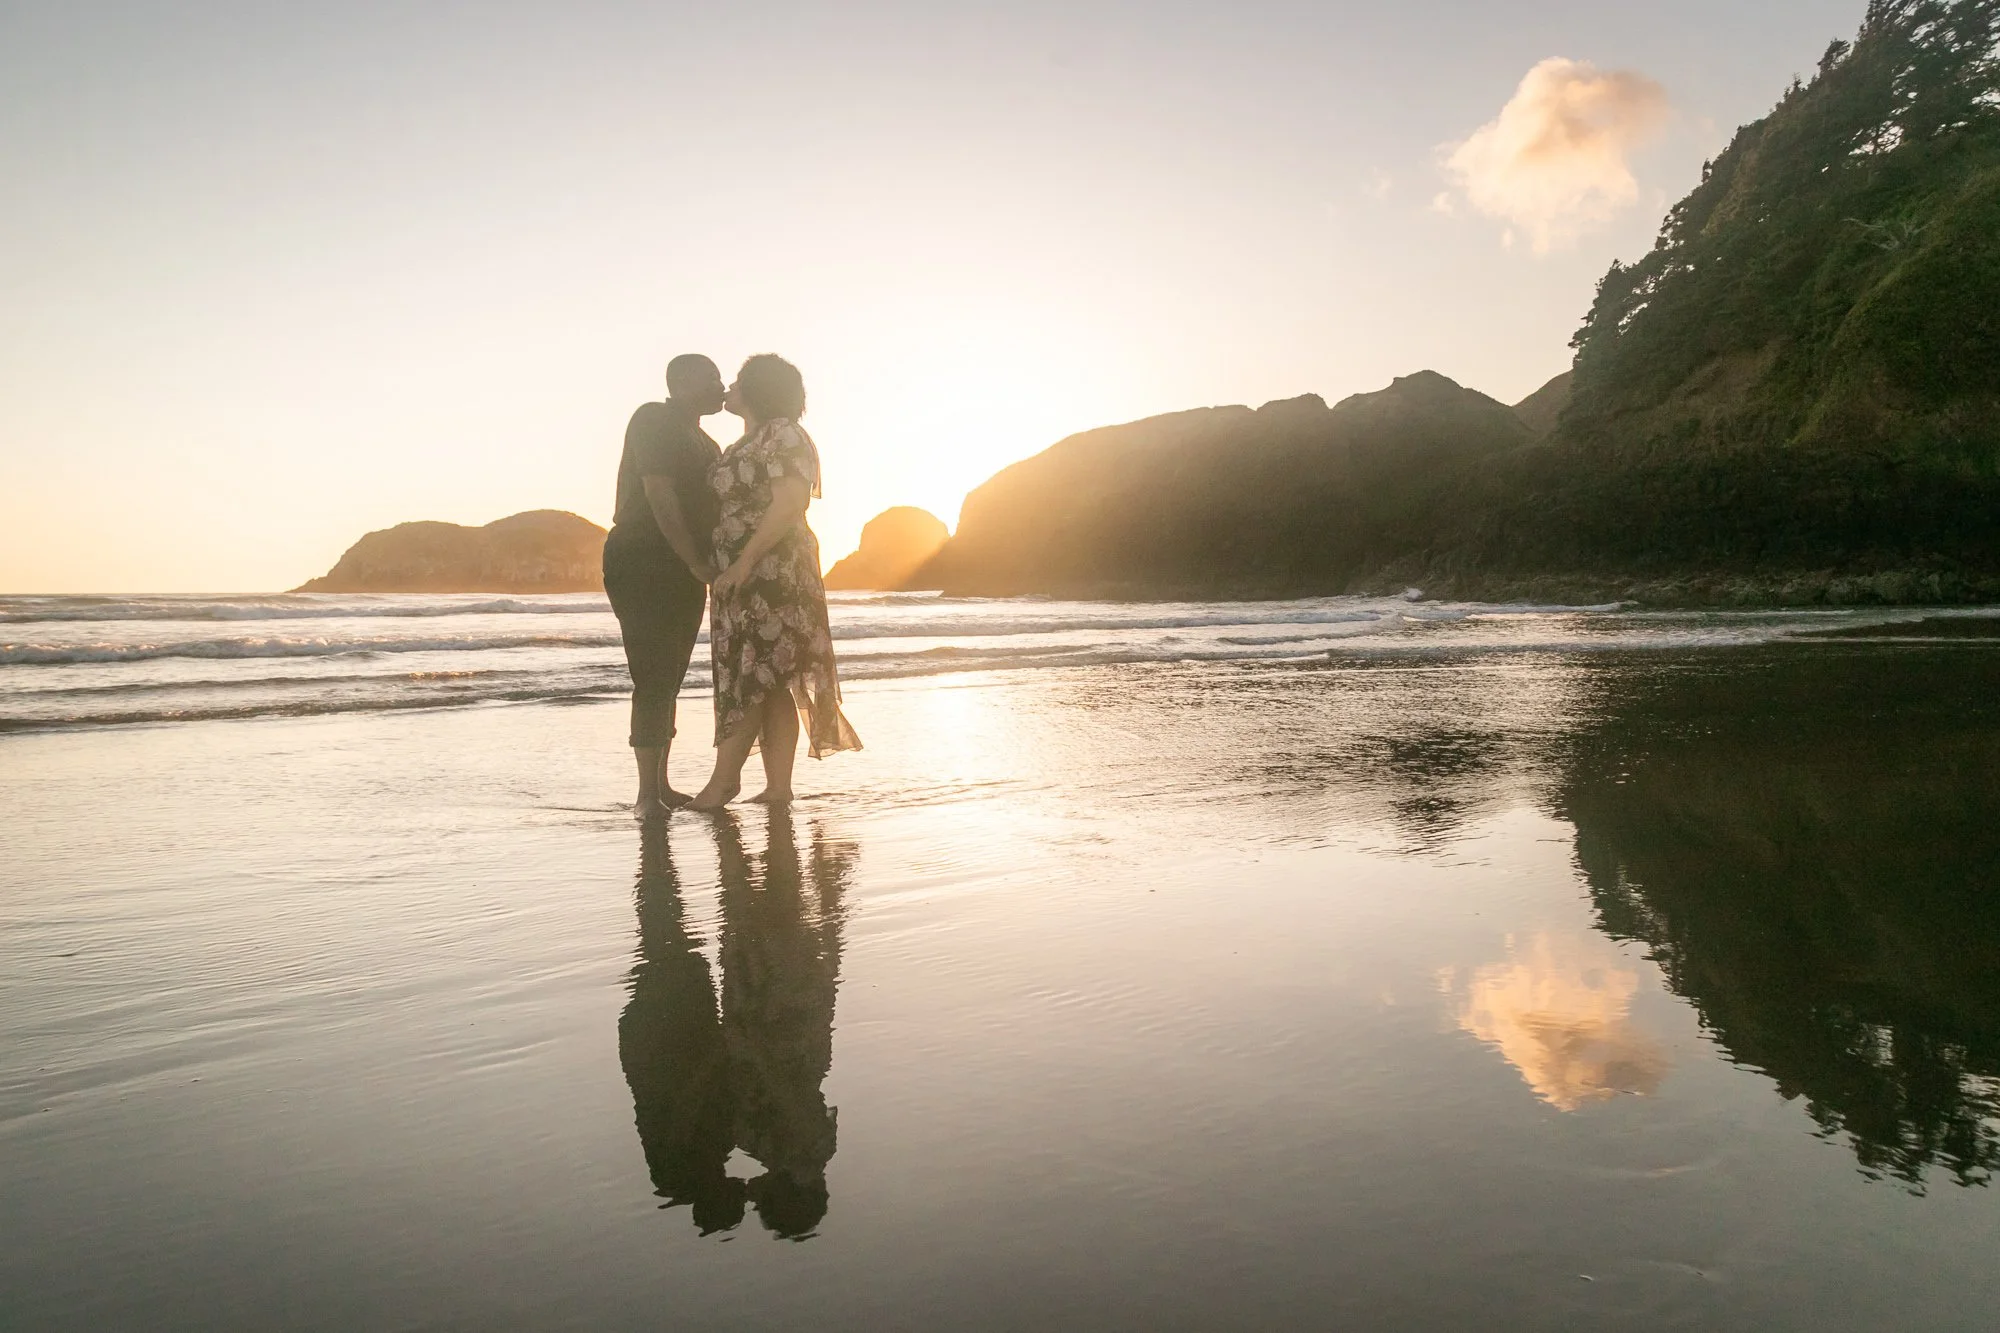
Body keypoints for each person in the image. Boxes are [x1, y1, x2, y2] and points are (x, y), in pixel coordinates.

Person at [690, 355, 861, 809]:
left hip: (773, 573)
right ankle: (778, 787)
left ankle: (722, 783)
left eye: (738, 381)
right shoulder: (745, 442)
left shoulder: (784, 434)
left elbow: (789, 504)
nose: (729, 387)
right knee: (767, 677)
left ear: (760, 390)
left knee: (752, 677)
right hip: (743, 576)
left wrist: (743, 563)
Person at [603, 354, 726, 816]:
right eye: (712, 378)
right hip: (642, 558)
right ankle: (646, 795)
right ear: (683, 382)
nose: (721, 386)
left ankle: (662, 784)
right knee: (653, 673)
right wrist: (695, 560)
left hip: (683, 565)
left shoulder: (708, 442)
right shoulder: (654, 418)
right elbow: (659, 493)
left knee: (671, 675)